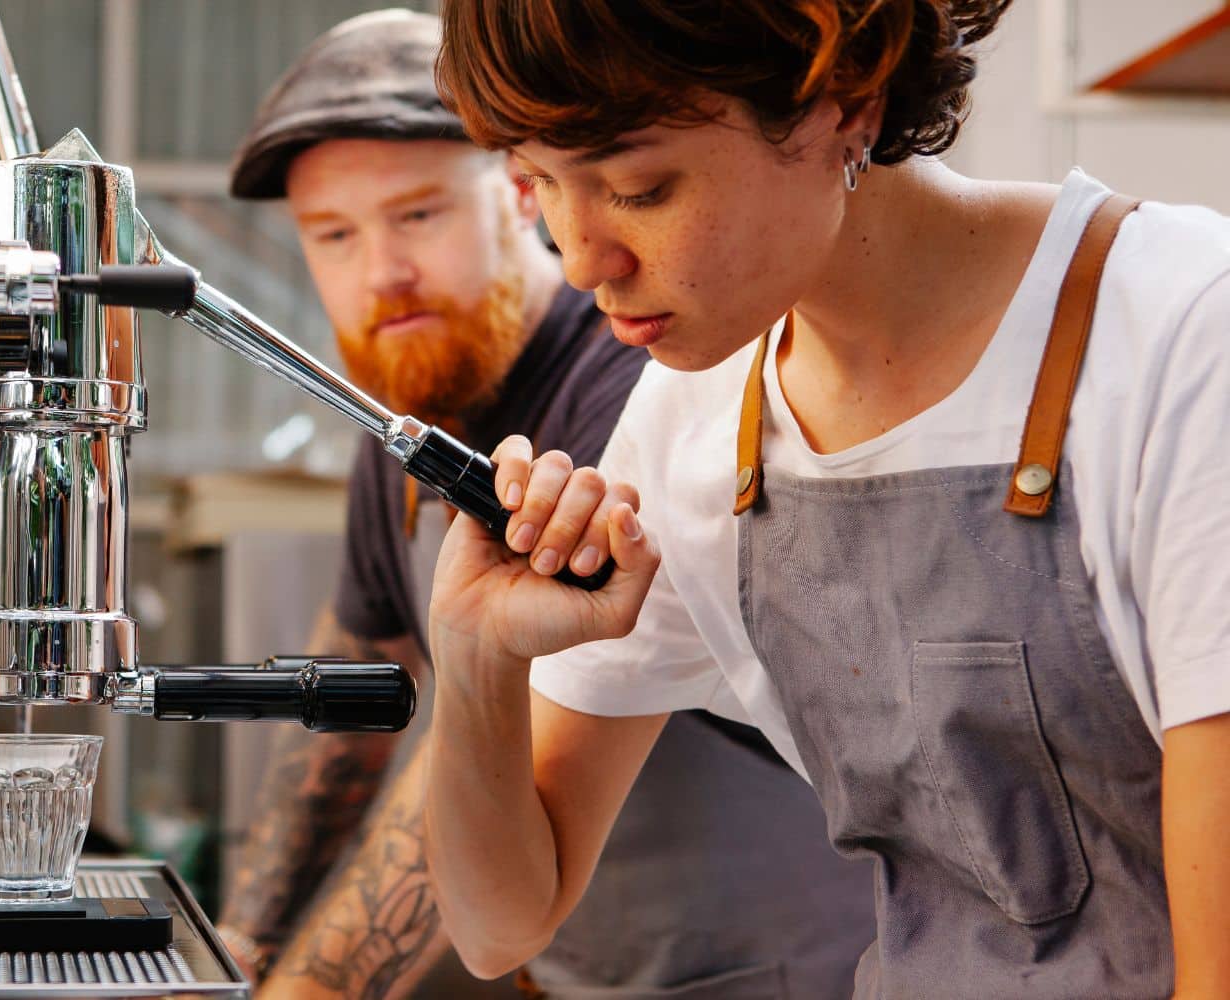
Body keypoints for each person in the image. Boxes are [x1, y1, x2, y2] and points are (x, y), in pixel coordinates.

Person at [420, 1, 1230, 997]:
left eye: (639, 187)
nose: (583, 258)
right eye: (538, 183)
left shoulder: (1189, 336)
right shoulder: (696, 416)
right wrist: (474, 661)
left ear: (844, 98)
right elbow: (500, 922)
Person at [214, 10, 875, 999]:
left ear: (520, 193)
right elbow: (345, 718)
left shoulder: (640, 378)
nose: (380, 271)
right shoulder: (411, 407)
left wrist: (301, 993)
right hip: (573, 965)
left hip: (764, 972)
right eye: (334, 236)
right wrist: (234, 949)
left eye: (418, 215)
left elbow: (469, 744)